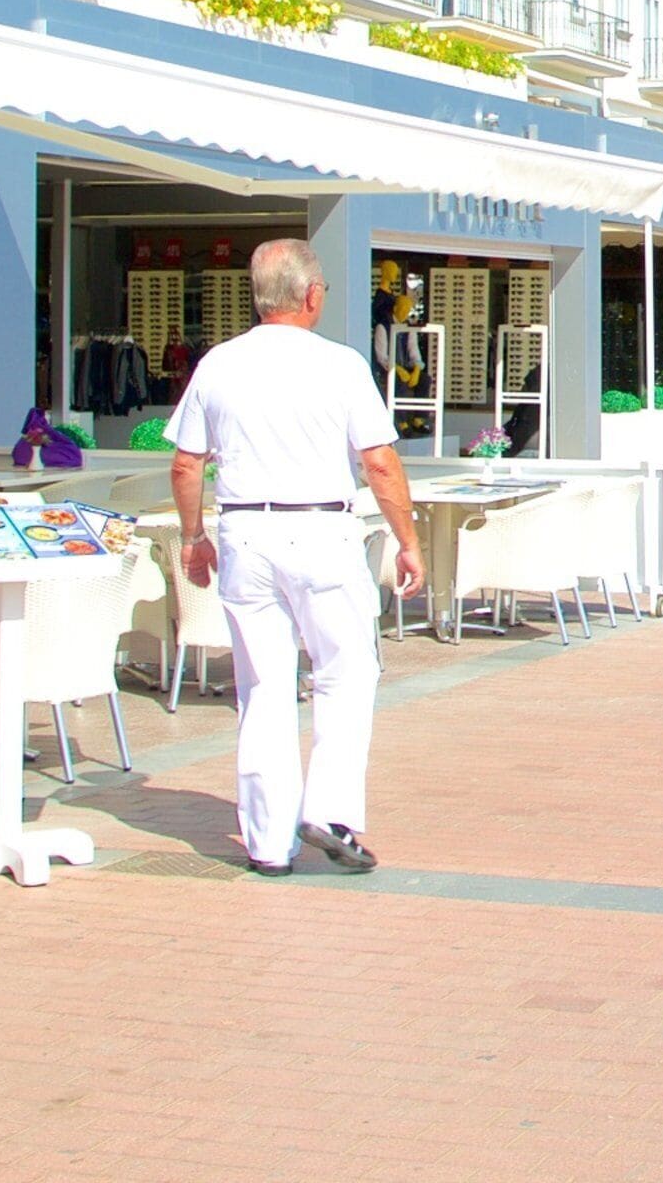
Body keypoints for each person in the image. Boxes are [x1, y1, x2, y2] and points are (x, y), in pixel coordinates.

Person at [167, 239, 424, 876]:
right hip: (320, 530)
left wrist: (194, 536)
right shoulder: (338, 365)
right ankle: (330, 811)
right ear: (311, 296)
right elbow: (380, 463)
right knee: (346, 670)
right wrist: (408, 540)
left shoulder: (218, 364)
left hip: (245, 532)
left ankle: (267, 842)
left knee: (263, 687)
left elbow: (185, 463)